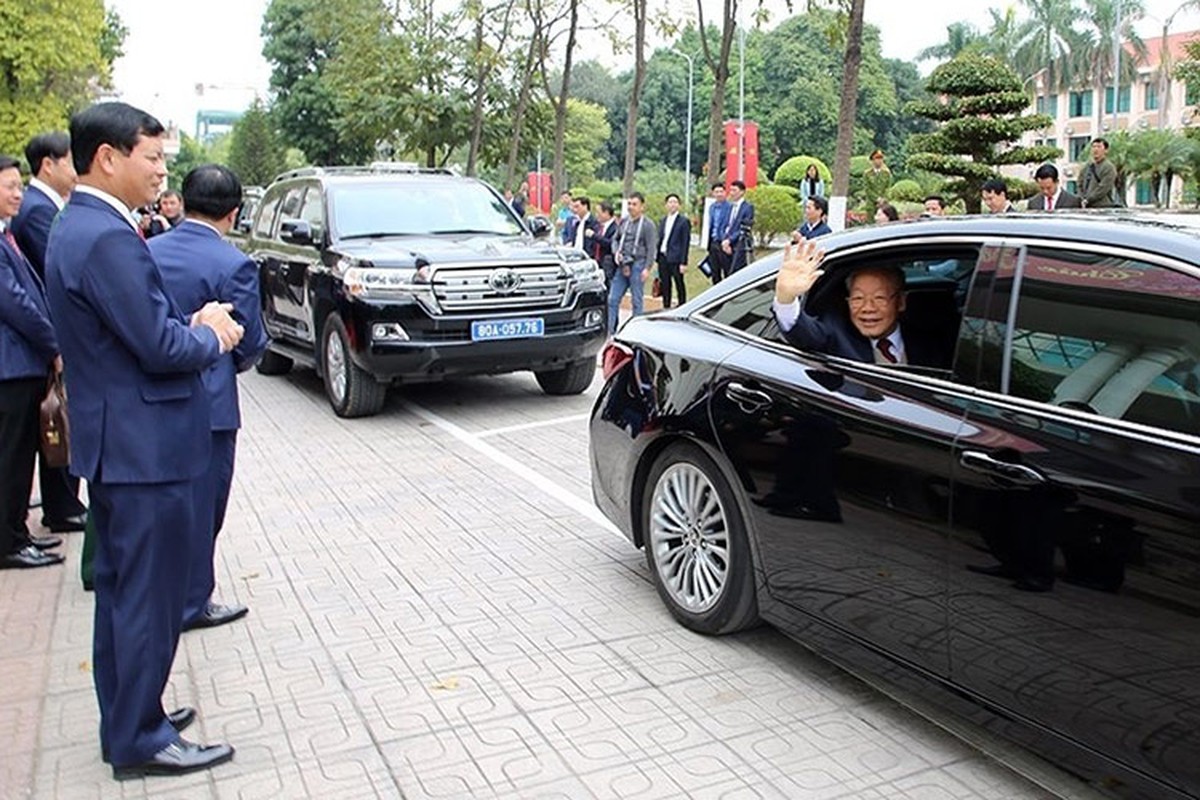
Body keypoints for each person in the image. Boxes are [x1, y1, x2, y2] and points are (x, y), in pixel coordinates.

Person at [44, 102, 242, 780]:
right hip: (146, 448)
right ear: (108, 157)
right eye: (152, 157)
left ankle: (130, 716)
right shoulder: (103, 236)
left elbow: (131, 331)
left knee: (127, 595)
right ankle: (139, 735)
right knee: (147, 600)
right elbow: (157, 346)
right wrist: (208, 333)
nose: (162, 172)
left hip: (127, 443)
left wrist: (185, 321)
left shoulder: (90, 226)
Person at [148, 164, 267, 633]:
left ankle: (161, 588)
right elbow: (249, 339)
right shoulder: (232, 263)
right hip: (210, 406)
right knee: (204, 506)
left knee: (164, 504)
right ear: (234, 212)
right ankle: (192, 601)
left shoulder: (147, 250)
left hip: (153, 397)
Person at [11, 131, 88, 533]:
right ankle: (58, 507)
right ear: (49, 164)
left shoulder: (42, 206)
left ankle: (61, 505)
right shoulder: (40, 211)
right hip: (40, 344)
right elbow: (53, 277)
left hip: (42, 342)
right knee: (51, 427)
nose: (76, 172)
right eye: (70, 162)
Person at [0, 154, 66, 570]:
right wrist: (53, 346)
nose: (17, 193)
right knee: (10, 457)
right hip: (11, 367)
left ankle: (17, 532)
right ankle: (7, 542)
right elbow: (17, 304)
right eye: (9, 187)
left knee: (21, 455)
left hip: (21, 364)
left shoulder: (7, 236)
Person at [771, 239, 950, 368]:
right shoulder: (836, 335)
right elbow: (805, 334)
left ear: (901, 302)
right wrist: (786, 298)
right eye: (857, 298)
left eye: (879, 298)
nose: (868, 308)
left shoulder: (931, 344)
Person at [608, 191, 658, 331]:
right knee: (613, 299)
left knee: (636, 301)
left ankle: (636, 331)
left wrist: (647, 268)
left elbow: (651, 248)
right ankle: (610, 331)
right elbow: (615, 239)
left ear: (642, 207)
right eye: (629, 204)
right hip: (622, 264)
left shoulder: (648, 225)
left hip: (638, 264)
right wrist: (616, 252)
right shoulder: (624, 222)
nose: (631, 207)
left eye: (634, 204)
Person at [656, 193, 691, 308]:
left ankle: (682, 305)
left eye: (675, 202)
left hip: (676, 258)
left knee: (679, 283)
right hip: (663, 257)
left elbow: (685, 242)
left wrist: (683, 262)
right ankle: (666, 306)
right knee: (665, 284)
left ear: (679, 205)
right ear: (666, 205)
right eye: (670, 202)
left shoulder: (683, 221)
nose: (672, 205)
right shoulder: (663, 220)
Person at [722, 180, 754, 274]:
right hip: (726, 244)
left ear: (742, 192)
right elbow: (727, 225)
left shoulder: (748, 207)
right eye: (731, 190)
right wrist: (725, 240)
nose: (732, 193)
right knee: (726, 271)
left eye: (734, 190)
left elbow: (743, 228)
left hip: (739, 245)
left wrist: (730, 240)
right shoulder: (730, 206)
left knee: (737, 270)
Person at [1079, 138, 1119, 208]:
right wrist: (1081, 198)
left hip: (1102, 206)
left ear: (1106, 150)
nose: (1096, 149)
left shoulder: (1109, 167)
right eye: (1094, 147)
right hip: (1086, 206)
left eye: (1099, 147)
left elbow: (1103, 188)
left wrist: (1088, 200)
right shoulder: (1087, 167)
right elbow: (1080, 183)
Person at [705, 184, 731, 284]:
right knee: (715, 272)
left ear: (725, 193)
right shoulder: (712, 207)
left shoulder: (730, 207)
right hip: (713, 242)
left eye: (721, 191)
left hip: (723, 242)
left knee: (727, 271)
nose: (719, 194)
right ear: (713, 193)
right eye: (716, 192)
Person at [593, 200, 618, 294]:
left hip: (608, 264)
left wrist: (594, 236)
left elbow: (611, 244)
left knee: (609, 290)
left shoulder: (615, 228)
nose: (596, 215)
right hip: (597, 262)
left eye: (598, 213)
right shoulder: (597, 227)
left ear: (606, 213)